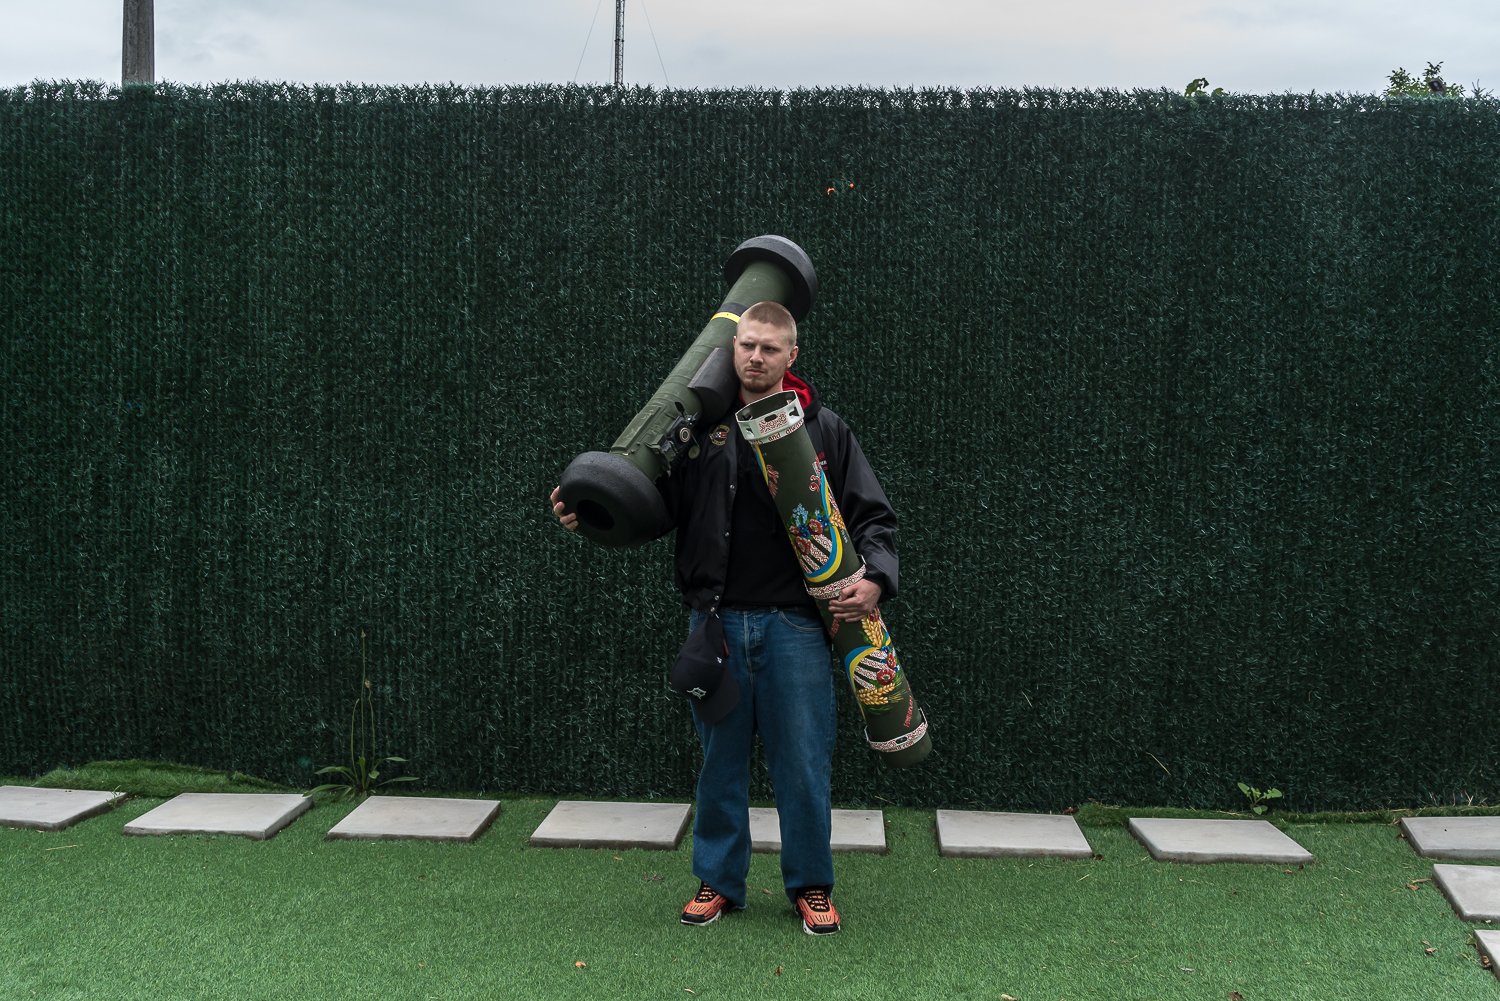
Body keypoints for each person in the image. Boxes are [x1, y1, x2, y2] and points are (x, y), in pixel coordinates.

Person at [550, 300, 898, 936]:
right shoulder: (698, 432)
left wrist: (876, 578)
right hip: (717, 625)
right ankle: (717, 883)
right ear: (732, 350)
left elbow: (873, 517)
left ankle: (812, 886)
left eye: (770, 348)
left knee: (803, 764)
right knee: (720, 766)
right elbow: (651, 508)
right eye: (748, 346)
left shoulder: (825, 431)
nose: (756, 356)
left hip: (797, 627)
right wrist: (590, 509)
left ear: (792, 356)